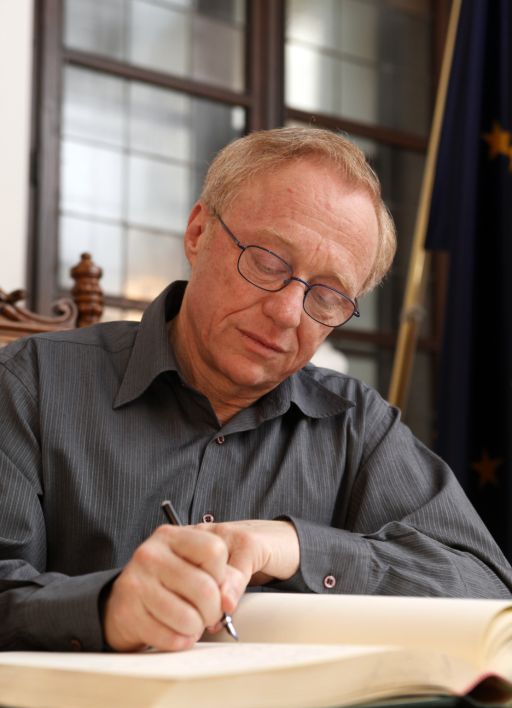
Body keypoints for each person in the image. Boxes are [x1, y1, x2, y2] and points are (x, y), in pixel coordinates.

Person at [1, 127, 511, 654]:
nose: (287, 312)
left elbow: (486, 592)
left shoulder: (358, 426)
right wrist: (104, 608)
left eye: (329, 296)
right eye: (268, 262)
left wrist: (294, 545)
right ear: (198, 232)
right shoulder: (29, 385)